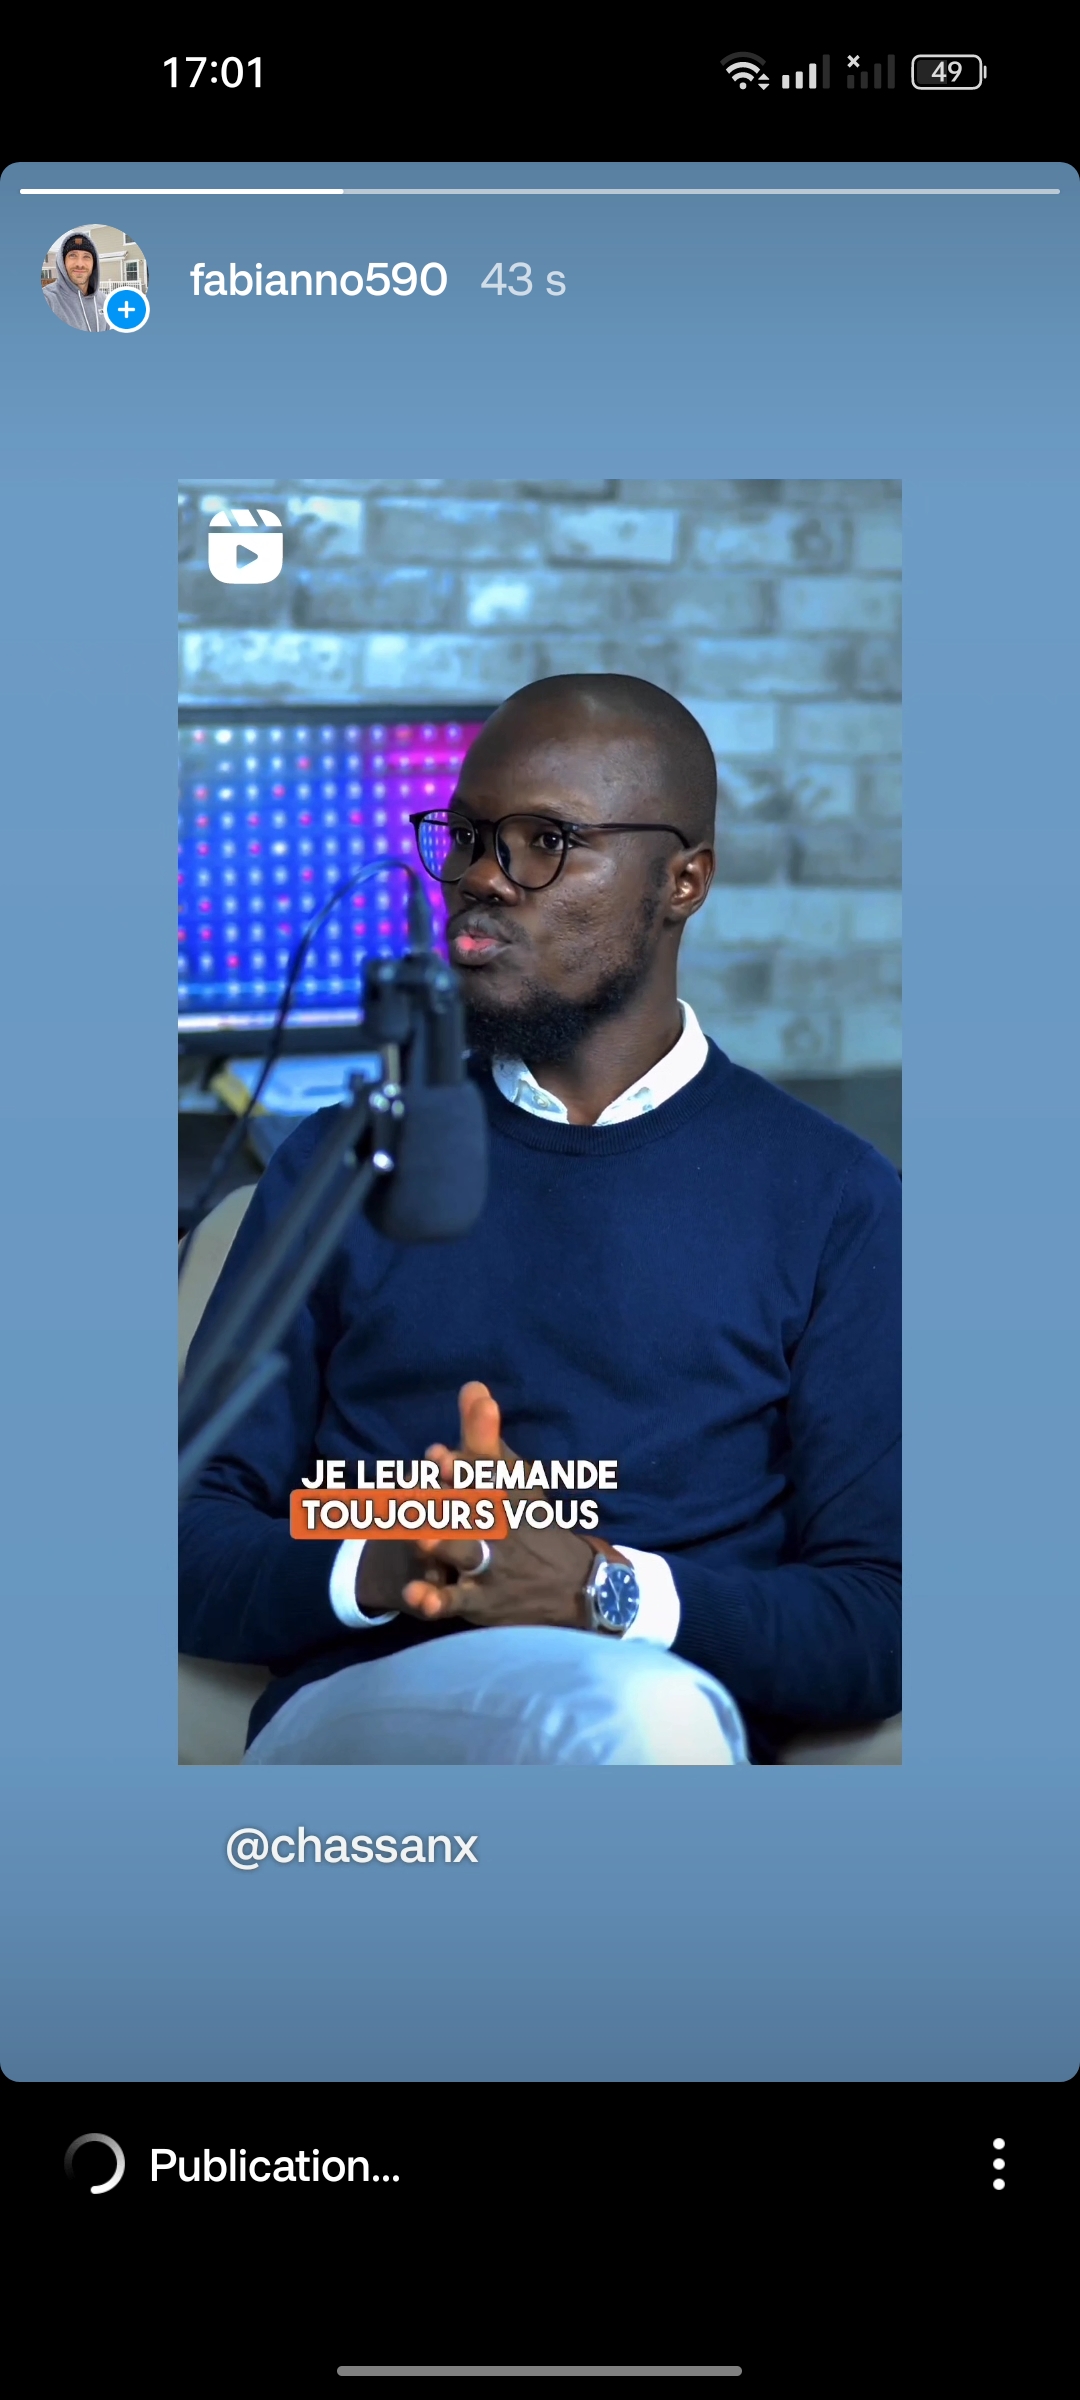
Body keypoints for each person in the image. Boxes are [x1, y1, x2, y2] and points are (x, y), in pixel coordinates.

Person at [179, 674, 901, 1766]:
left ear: (684, 882)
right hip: (373, 1706)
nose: (481, 877)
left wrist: (600, 1590)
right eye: (470, 838)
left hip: (671, 1726)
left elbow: (882, 1616)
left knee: (642, 1720)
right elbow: (184, 1532)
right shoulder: (343, 1163)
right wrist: (393, 1559)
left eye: (545, 842)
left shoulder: (834, 1195)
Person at [43, 232, 109, 330]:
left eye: (86, 256)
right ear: (62, 262)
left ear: (94, 264)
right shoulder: (48, 299)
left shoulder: (104, 301)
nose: (80, 264)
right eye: (73, 255)